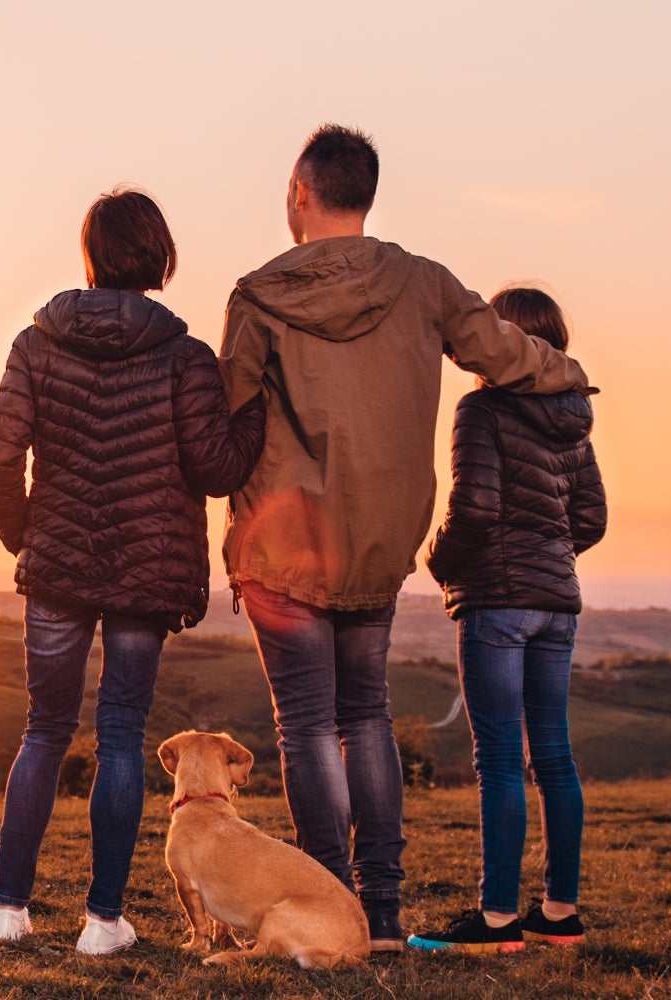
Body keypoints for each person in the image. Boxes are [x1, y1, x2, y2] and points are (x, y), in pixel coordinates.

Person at [217, 124, 590, 952]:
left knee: (308, 725)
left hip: (285, 549)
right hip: (382, 543)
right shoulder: (425, 284)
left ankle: (329, 905)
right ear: (368, 194)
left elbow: (226, 426)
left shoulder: (257, 296)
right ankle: (381, 916)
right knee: (367, 718)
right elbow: (506, 355)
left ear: (299, 193)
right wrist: (571, 379)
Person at [0, 187, 268, 954]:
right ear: (158, 256)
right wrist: (256, 413)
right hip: (146, 573)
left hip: (58, 569)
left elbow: (0, 452)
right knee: (121, 736)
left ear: (91, 255)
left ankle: (9, 912)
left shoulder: (35, 344)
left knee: (43, 731)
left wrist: (27, 538)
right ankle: (103, 923)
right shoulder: (185, 357)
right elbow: (214, 467)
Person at [404, 287, 606, 953]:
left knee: (497, 760)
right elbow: (591, 520)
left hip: (496, 600)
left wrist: (438, 560)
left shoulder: (482, 410)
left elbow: (477, 506)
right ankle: (560, 914)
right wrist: (547, 555)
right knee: (553, 754)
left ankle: (495, 922)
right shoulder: (574, 418)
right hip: (557, 602)